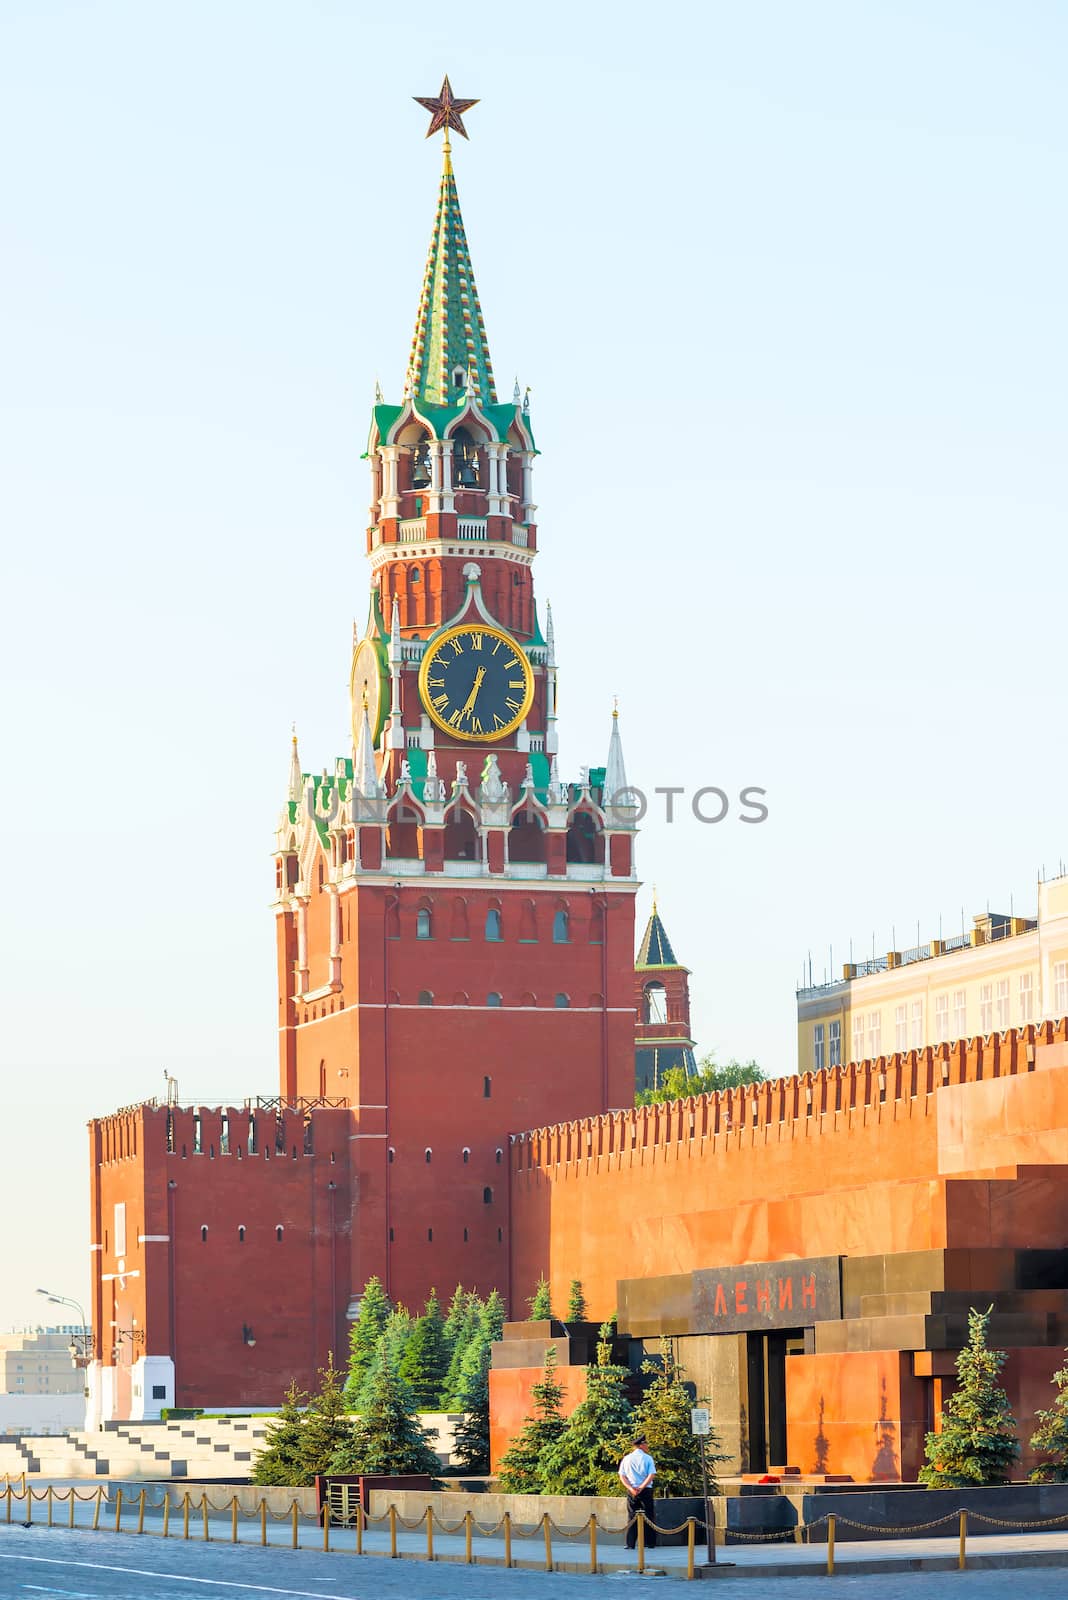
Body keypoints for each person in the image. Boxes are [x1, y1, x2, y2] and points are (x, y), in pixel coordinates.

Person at [619, 1433, 657, 1550]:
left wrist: (631, 1488)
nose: (647, 1445)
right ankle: (649, 1542)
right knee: (649, 1516)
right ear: (641, 1445)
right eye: (646, 1443)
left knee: (632, 1517)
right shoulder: (648, 1458)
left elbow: (622, 1476)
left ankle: (630, 1543)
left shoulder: (627, 1458)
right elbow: (652, 1474)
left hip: (632, 1491)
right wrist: (641, 1487)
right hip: (645, 1490)